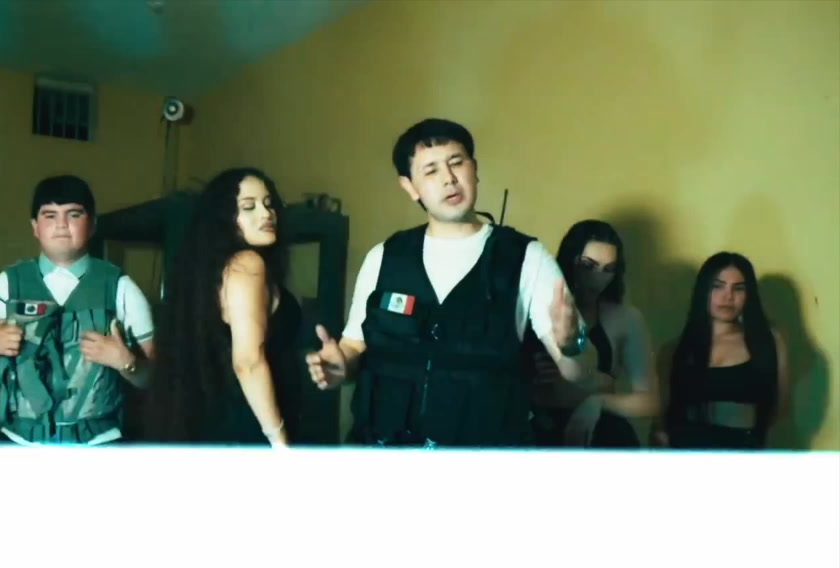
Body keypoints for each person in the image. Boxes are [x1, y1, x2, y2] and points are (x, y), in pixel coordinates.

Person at [306, 118, 596, 447]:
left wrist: (572, 344)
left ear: (475, 169)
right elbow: (354, 347)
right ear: (410, 187)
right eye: (431, 170)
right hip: (383, 455)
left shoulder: (526, 257)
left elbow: (580, 373)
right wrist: (340, 366)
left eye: (457, 163)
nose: (449, 179)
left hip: (484, 460)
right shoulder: (385, 257)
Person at [0, 175, 154, 445]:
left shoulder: (121, 288)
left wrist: (126, 362)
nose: (61, 224)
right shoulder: (5, 286)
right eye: (50, 215)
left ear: (92, 224)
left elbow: (154, 379)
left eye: (74, 214)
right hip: (20, 444)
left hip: (99, 445)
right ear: (35, 227)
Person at [145, 167, 301, 447]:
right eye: (249, 207)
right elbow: (248, 362)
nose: (266, 214)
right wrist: (280, 441)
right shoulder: (247, 264)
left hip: (222, 425)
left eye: (268, 204)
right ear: (224, 219)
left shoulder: (216, 272)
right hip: (251, 427)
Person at [530, 220, 660, 447]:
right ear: (570, 260)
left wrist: (599, 402)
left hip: (602, 434)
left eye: (608, 270)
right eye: (588, 265)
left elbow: (650, 401)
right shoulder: (537, 304)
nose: (598, 279)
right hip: (537, 433)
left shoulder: (625, 318)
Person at [654, 252, 788, 450]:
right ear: (703, 290)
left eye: (738, 288)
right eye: (717, 286)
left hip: (743, 451)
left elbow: (779, 409)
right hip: (685, 453)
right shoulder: (674, 349)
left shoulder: (768, 341)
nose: (728, 297)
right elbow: (661, 421)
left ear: (749, 294)